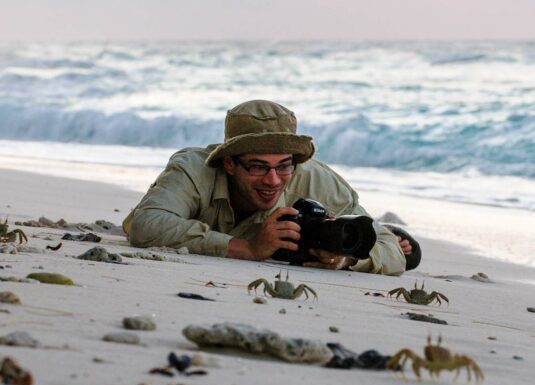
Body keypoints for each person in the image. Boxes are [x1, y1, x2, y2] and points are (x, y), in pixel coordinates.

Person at [122, 99, 418, 275]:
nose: (273, 180)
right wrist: (246, 248)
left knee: (368, 228)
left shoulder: (313, 178)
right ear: (229, 163)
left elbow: (392, 252)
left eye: (283, 166)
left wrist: (344, 259)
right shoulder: (194, 168)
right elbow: (147, 226)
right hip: (192, 217)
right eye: (258, 166)